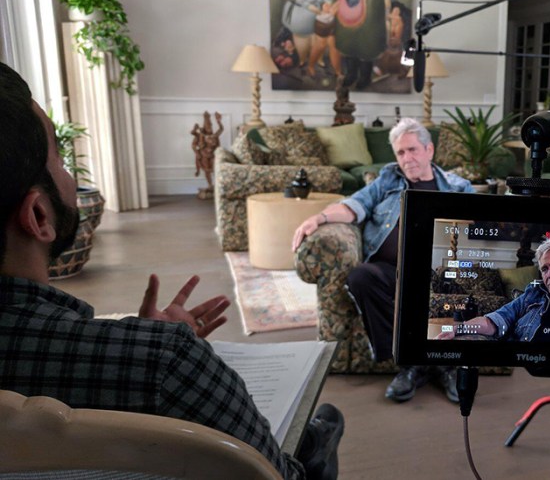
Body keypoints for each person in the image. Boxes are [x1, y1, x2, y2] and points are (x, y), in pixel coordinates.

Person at [0, 62, 342, 480]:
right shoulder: (170, 363)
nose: (71, 176)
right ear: (38, 215)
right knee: (308, 454)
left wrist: (135, 342)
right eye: (61, 158)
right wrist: (148, 349)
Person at [292, 118, 475, 403]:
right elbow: (355, 205)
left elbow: (475, 232)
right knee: (361, 277)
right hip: (392, 271)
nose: (407, 158)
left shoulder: (458, 187)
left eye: (412, 150)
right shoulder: (388, 180)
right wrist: (320, 217)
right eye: (400, 152)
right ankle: (412, 363)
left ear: (429, 150)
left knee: (459, 281)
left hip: (438, 272)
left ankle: (445, 365)